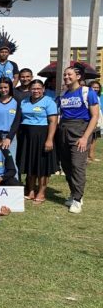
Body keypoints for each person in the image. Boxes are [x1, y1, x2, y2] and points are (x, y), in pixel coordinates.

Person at [57, 66, 100, 213]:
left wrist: (85, 137)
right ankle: (73, 192)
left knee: (77, 165)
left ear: (78, 76)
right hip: (63, 130)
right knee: (66, 165)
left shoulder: (88, 92)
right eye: (64, 74)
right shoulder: (63, 94)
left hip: (80, 130)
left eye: (69, 74)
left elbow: (95, 116)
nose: (66, 77)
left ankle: (77, 199)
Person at [16, 80, 58, 204]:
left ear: (43, 89)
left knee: (42, 166)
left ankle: (41, 192)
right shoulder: (24, 101)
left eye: (39, 88)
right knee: (30, 163)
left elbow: (53, 122)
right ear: (30, 89)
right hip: (26, 136)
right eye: (33, 88)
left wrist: (49, 139)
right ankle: (31, 189)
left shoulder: (49, 102)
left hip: (42, 136)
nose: (36, 91)